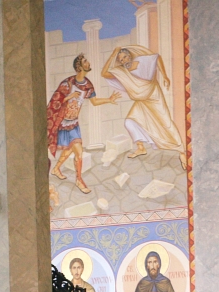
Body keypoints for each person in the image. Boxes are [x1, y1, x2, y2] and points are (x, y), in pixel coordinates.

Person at [101, 45, 187, 169]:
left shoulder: (141, 61)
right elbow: (104, 73)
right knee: (129, 122)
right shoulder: (122, 71)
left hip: (153, 97)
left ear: (129, 55)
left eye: (125, 57)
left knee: (165, 123)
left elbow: (157, 58)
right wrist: (113, 54)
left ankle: (181, 151)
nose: (124, 61)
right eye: (121, 60)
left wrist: (165, 76)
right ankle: (140, 148)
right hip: (142, 101)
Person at [46, 53, 120, 194]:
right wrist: (69, 97)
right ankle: (57, 169)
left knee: (77, 151)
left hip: (74, 123)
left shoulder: (87, 85)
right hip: (62, 123)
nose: (88, 63)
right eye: (86, 61)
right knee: (69, 149)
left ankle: (78, 179)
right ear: (80, 66)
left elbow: (94, 101)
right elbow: (54, 102)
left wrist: (109, 99)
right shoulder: (67, 83)